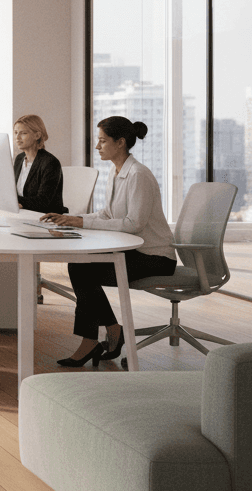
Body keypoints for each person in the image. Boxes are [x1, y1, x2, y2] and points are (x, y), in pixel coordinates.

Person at [42, 116, 175, 368]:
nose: (97, 146)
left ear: (121, 142)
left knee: (82, 269)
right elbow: (107, 215)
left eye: (102, 141)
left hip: (155, 257)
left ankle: (96, 338)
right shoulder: (116, 173)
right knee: (80, 265)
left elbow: (132, 223)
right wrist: (73, 219)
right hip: (135, 252)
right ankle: (110, 331)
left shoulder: (138, 175)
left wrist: (82, 223)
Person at [12, 113, 66, 214]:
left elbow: (42, 202)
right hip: (25, 214)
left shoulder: (50, 162)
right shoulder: (19, 159)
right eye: (15, 132)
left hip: (46, 218)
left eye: (23, 133)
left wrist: (14, 201)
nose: (17, 137)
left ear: (37, 135)